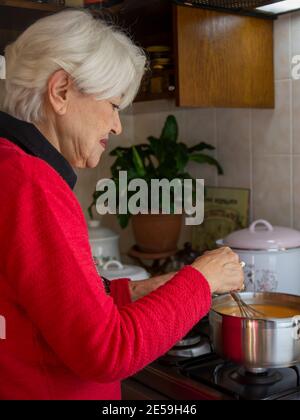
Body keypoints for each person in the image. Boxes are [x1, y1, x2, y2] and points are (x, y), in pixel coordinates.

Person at [0, 9, 244, 400]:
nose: (116, 126)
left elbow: (52, 307)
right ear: (61, 91)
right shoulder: (32, 183)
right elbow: (107, 351)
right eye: (114, 105)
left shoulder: (9, 166)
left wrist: (147, 289)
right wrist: (202, 280)